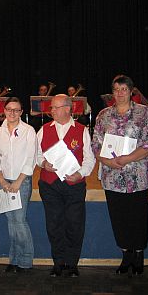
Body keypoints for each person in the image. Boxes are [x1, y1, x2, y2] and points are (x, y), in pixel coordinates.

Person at [91, 75, 148, 275]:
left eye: (124, 89)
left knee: (138, 216)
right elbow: (96, 144)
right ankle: (126, 254)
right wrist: (109, 161)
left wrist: (127, 159)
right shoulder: (104, 115)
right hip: (112, 176)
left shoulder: (143, 113)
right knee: (119, 217)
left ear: (131, 91)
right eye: (116, 89)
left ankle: (138, 254)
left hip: (138, 176)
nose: (120, 93)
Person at [37, 94, 95, 277]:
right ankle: (58, 262)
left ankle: (72, 263)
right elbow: (36, 155)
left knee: (74, 224)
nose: (51, 110)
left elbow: (90, 159)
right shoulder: (44, 129)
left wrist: (80, 173)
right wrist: (43, 163)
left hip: (74, 185)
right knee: (54, 224)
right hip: (50, 185)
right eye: (51, 107)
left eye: (55, 107)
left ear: (68, 109)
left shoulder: (82, 130)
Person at [0, 97, 36, 273]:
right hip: (4, 181)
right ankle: (14, 258)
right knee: (10, 221)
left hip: (21, 182)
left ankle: (25, 260)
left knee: (20, 221)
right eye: (9, 109)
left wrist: (18, 182)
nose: (12, 113)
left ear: (21, 112)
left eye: (16, 110)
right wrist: (1, 180)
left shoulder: (28, 131)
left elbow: (30, 159)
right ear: (4, 110)